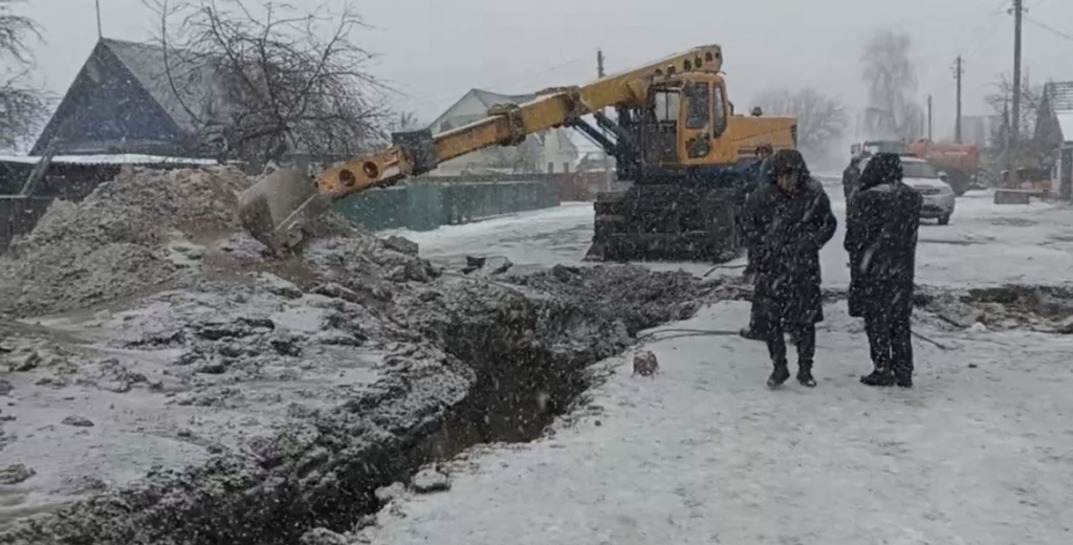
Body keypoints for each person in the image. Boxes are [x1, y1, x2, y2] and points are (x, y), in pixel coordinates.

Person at [743, 149, 837, 388]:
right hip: (772, 268)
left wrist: (813, 241)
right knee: (771, 322)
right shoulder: (762, 197)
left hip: (803, 268)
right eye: (783, 176)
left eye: (792, 175)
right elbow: (747, 226)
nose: (787, 181)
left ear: (800, 174)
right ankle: (779, 366)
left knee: (805, 322)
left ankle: (805, 369)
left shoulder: (814, 196)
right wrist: (761, 249)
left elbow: (829, 224)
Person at [844, 153, 923, 388]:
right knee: (900, 319)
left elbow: (855, 238)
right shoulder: (911, 197)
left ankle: (882, 367)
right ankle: (904, 369)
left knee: (876, 318)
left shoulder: (866, 198)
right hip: (903, 267)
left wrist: (859, 262)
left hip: (873, 268)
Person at [738, 144, 774, 341]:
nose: (762, 155)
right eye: (759, 152)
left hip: (774, 248)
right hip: (766, 241)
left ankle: (764, 326)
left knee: (767, 288)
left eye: (765, 152)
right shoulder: (753, 170)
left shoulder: (772, 173)